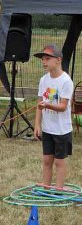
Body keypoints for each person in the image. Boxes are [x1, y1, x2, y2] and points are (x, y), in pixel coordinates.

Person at [34, 44, 74, 190]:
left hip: (62, 131)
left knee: (59, 162)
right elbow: (39, 105)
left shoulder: (65, 81)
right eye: (42, 59)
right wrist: (37, 125)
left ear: (58, 60)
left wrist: (47, 106)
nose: (44, 62)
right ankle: (46, 189)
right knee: (46, 160)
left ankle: (58, 190)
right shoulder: (43, 80)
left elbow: (63, 107)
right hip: (48, 129)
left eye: (47, 59)